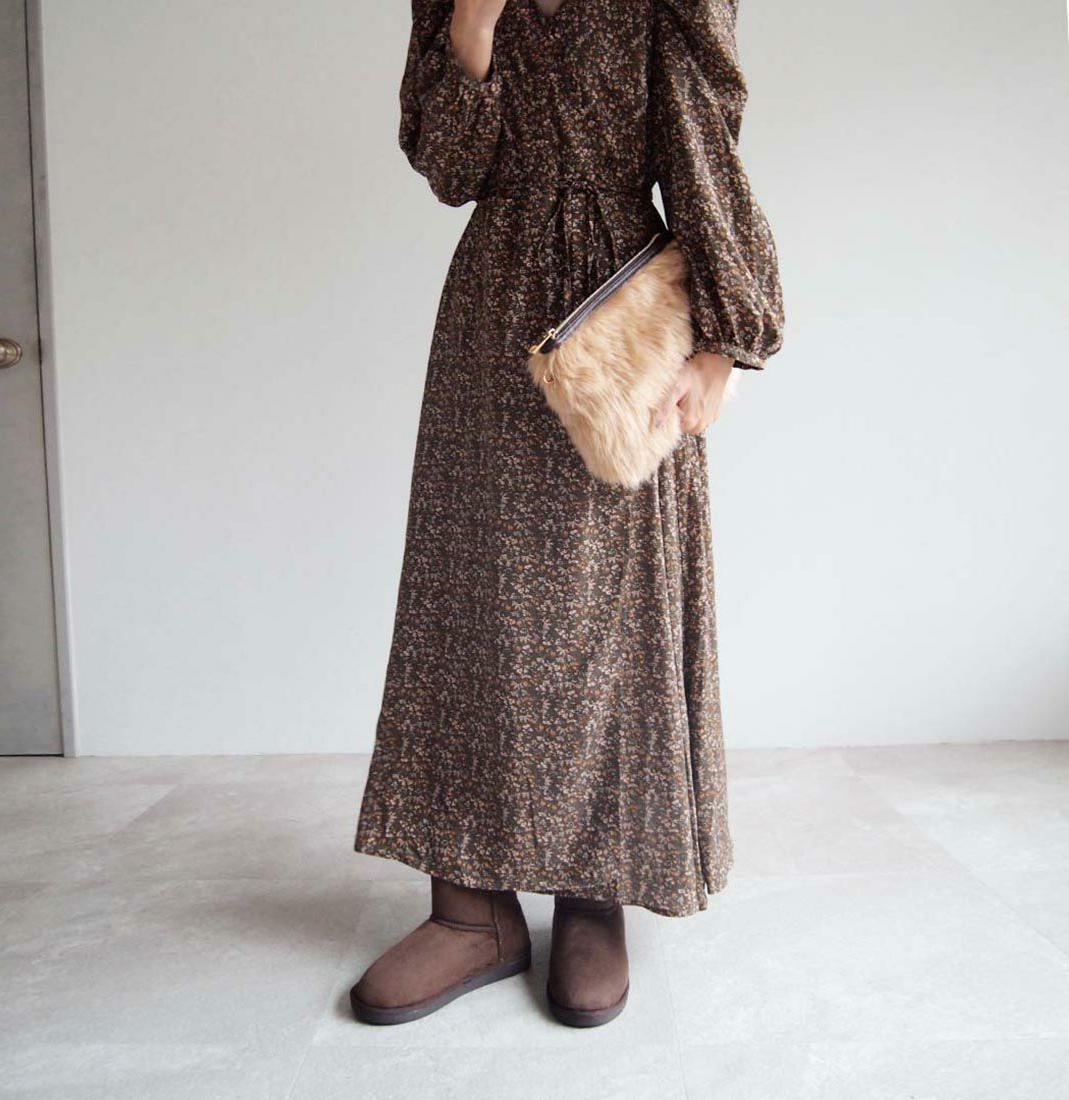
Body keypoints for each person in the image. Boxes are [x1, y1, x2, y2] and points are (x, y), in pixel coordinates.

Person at [350, 0, 783, 1028]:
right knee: (472, 601)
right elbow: (450, 169)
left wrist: (726, 338)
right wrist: (470, 27)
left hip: (615, 314)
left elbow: (702, 147)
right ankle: (469, 908)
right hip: (489, 313)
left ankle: (595, 891)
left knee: (606, 617)